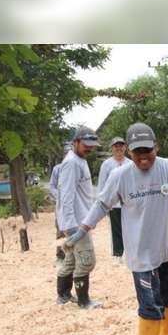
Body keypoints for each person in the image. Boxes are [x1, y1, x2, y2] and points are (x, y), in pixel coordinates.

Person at [65, 122, 168, 335]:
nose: (143, 157)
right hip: (141, 254)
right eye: (137, 152)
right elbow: (101, 205)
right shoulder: (120, 176)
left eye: (148, 151)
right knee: (150, 303)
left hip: (167, 249)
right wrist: (83, 229)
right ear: (129, 151)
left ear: (156, 147)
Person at [56, 127, 101, 309]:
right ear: (75, 142)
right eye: (85, 145)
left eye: (92, 145)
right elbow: (66, 196)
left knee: (72, 260)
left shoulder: (79, 160)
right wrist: (72, 226)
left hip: (81, 219)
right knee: (87, 260)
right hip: (76, 222)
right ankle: (84, 301)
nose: (89, 148)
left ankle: (64, 295)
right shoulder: (72, 163)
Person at [97, 137, 130, 262]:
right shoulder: (107, 164)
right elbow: (102, 184)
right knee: (116, 229)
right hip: (114, 203)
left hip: (128, 202)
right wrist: (102, 203)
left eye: (121, 146)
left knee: (129, 228)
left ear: (125, 148)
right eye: (116, 146)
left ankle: (129, 252)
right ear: (112, 148)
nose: (119, 148)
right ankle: (118, 253)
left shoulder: (130, 163)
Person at [50, 143, 72, 262]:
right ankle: (60, 255)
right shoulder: (57, 169)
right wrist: (59, 197)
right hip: (61, 205)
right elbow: (52, 186)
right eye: (66, 153)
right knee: (60, 229)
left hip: (73, 205)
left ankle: (73, 254)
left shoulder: (77, 167)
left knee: (74, 230)